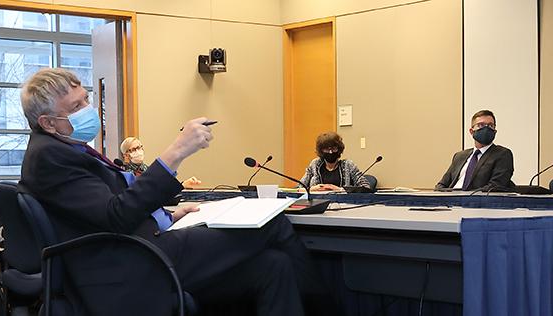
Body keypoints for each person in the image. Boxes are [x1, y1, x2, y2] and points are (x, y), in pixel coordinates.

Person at [18, 68, 328, 315]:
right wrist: (177, 151)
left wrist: (166, 214)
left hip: (139, 249)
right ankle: (326, 307)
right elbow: (116, 215)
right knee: (272, 222)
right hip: (134, 264)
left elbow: (97, 210)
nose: (88, 109)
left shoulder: (62, 149)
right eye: (76, 106)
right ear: (47, 122)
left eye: (86, 100)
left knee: (273, 266)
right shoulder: (50, 157)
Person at [435, 110, 516, 191]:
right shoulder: (459, 156)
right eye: (481, 125)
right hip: (451, 200)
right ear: (471, 131)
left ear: (495, 131)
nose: (486, 128)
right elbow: (441, 185)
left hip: (478, 201)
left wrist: (464, 195)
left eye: (491, 125)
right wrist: (451, 194)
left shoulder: (502, 154)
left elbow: (495, 187)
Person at [299, 132, 369, 191]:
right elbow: (299, 188)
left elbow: (366, 187)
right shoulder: (314, 164)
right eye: (326, 149)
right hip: (318, 203)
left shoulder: (348, 165)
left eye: (334, 148)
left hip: (343, 204)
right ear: (321, 150)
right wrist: (312, 189)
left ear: (339, 149)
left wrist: (339, 189)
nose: (330, 152)